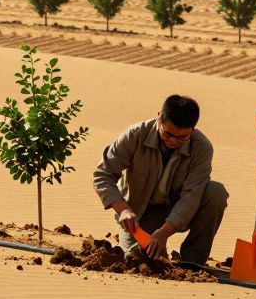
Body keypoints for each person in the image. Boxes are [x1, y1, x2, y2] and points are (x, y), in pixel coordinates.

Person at [92, 94, 228, 264]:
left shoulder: (202, 148)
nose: (173, 141)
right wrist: (123, 210)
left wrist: (164, 232)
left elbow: (192, 196)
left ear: (192, 130)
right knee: (136, 258)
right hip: (139, 216)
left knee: (216, 192)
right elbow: (102, 174)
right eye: (168, 134)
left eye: (182, 138)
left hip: (179, 211)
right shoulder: (135, 134)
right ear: (159, 118)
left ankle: (193, 261)